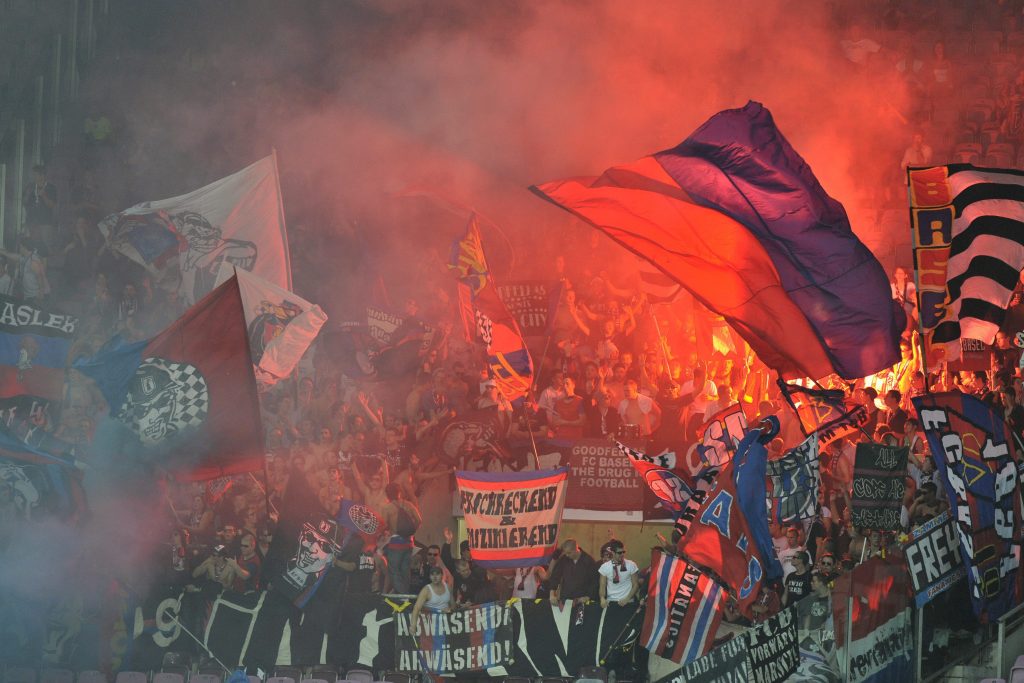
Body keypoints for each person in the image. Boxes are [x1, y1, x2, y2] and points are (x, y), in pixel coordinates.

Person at [381, 482, 421, 593]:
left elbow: (383, 525)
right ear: (400, 492)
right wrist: (411, 532)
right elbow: (419, 520)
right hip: (409, 542)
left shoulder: (387, 508)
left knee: (394, 570)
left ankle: (403, 596)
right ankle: (406, 595)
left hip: (395, 543)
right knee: (405, 571)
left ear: (387, 494)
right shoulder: (409, 505)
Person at [548, 539, 600, 608]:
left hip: (581, 602)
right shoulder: (564, 559)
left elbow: (594, 581)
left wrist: (588, 596)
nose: (567, 555)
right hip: (565, 600)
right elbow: (555, 576)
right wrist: (552, 594)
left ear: (576, 549)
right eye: (565, 553)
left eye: (569, 553)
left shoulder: (588, 561)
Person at [409, 566, 454, 635]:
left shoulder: (448, 587)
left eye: (437, 574)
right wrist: (413, 625)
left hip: (446, 623)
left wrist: (450, 609)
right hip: (430, 624)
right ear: (430, 577)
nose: (435, 577)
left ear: (442, 575)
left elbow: (453, 605)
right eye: (432, 574)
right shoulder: (426, 590)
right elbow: (417, 608)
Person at [598, 540, 639, 608]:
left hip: (628, 602)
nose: (622, 554)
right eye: (619, 553)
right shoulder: (605, 567)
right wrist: (602, 598)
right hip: (611, 602)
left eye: (623, 552)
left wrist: (627, 599)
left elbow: (636, 585)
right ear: (613, 553)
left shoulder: (631, 564)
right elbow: (602, 586)